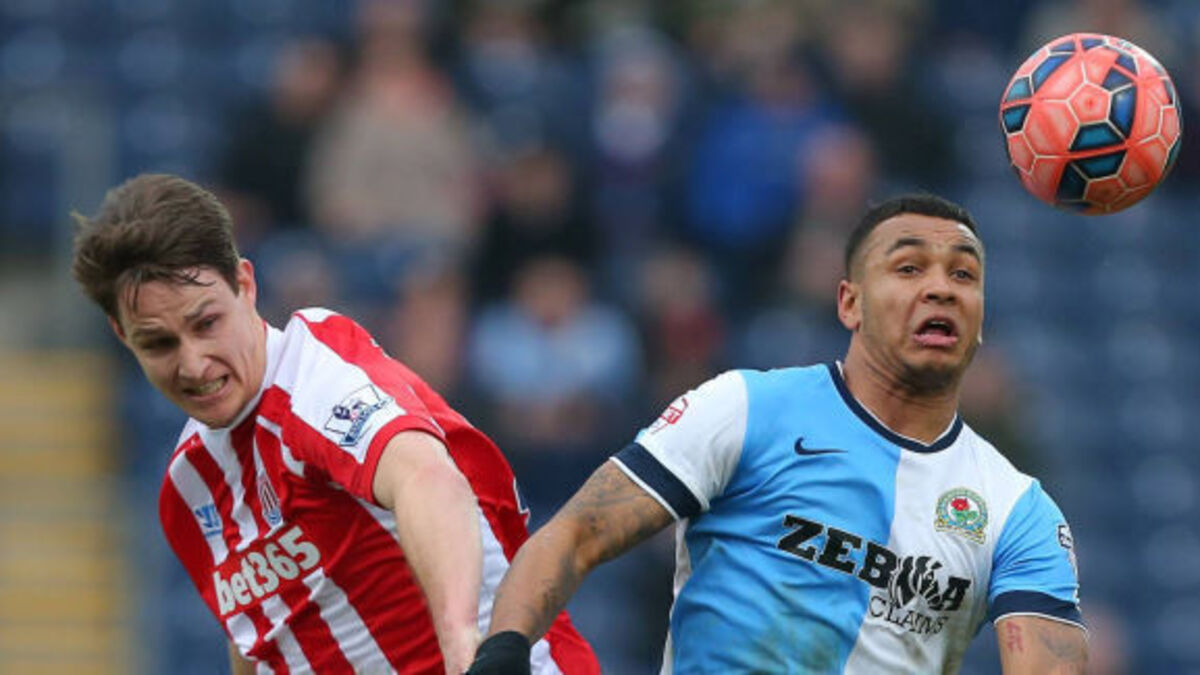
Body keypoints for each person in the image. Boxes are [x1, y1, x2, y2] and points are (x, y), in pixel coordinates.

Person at [468, 194, 1088, 674]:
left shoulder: (1018, 510)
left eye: (964, 276)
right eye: (908, 267)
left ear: (980, 321)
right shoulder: (744, 409)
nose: (940, 289)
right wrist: (504, 648)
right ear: (849, 304)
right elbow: (576, 534)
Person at [70, 174, 599, 675]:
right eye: (159, 343)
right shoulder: (187, 488)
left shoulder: (315, 375)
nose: (193, 365)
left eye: (206, 323)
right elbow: (256, 639)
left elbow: (427, 478)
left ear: (245, 285)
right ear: (122, 335)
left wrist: (462, 647)